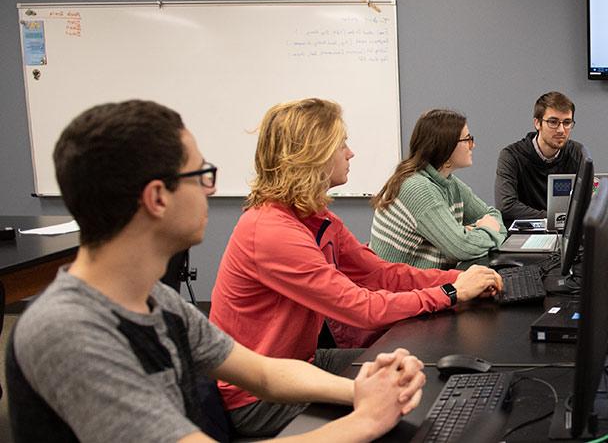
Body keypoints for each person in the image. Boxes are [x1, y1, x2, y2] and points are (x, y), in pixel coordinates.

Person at [8, 100, 426, 443]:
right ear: (157, 198)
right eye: (201, 176)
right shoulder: (68, 330)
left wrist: (363, 389)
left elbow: (262, 371)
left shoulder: (158, 301)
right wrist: (366, 419)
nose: (210, 190)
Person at [210, 98, 502, 437]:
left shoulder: (315, 218)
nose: (350, 153)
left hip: (301, 363)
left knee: (418, 375)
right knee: (407, 412)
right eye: (342, 145)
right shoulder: (273, 232)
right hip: (257, 400)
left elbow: (381, 273)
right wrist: (451, 292)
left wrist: (458, 278)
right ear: (313, 156)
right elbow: (361, 308)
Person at [370, 109, 505, 269]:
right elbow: (462, 248)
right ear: (446, 147)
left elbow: (493, 215)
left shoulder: (448, 182)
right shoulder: (417, 188)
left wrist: (475, 232)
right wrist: (488, 230)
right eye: (467, 139)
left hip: (424, 283)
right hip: (401, 289)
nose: (473, 145)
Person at [494, 91, 588, 224]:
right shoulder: (511, 155)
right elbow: (506, 206)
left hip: (566, 231)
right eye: (553, 122)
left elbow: (587, 201)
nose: (561, 130)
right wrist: (554, 218)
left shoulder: (578, 153)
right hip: (525, 234)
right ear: (537, 123)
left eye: (567, 122)